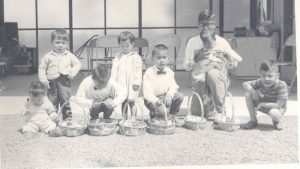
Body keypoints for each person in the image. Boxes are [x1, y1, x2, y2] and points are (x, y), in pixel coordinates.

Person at [184, 10, 240, 120]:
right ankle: (208, 106)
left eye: (209, 24)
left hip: (218, 76)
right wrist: (196, 61)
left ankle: (219, 109)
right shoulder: (193, 42)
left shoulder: (221, 41)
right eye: (203, 24)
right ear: (199, 25)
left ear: (214, 25)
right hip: (200, 76)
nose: (206, 28)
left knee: (212, 73)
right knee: (196, 113)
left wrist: (224, 59)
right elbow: (186, 66)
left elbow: (234, 65)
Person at [38, 29, 81, 121]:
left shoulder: (69, 55)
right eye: (57, 42)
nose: (60, 45)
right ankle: (52, 119)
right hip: (51, 82)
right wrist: (44, 80)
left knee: (65, 99)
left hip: (64, 80)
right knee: (52, 100)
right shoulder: (48, 56)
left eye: (63, 43)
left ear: (67, 43)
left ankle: (67, 118)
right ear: (52, 42)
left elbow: (77, 64)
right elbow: (42, 68)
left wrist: (72, 73)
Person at [241, 60, 288, 130]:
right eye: (263, 75)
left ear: (277, 76)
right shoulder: (260, 82)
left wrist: (262, 104)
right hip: (263, 103)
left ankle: (276, 122)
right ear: (260, 75)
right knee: (248, 94)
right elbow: (245, 84)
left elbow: (279, 105)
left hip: (276, 108)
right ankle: (253, 121)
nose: (266, 78)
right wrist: (254, 93)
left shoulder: (281, 85)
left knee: (274, 113)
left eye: (270, 76)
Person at [143, 44, 184, 119]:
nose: (161, 60)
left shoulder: (169, 72)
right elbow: (146, 93)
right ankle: (156, 114)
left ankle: (172, 115)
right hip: (152, 99)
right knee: (161, 114)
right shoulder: (149, 72)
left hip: (165, 97)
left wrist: (169, 94)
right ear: (153, 59)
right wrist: (155, 100)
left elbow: (173, 86)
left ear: (168, 59)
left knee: (179, 96)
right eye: (158, 58)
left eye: (164, 57)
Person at [111, 31, 143, 120]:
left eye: (127, 46)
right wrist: (113, 84)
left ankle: (133, 119)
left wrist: (137, 83)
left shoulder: (136, 57)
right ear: (119, 45)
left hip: (132, 83)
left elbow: (138, 71)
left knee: (132, 102)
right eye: (122, 46)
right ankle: (124, 120)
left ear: (133, 44)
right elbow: (114, 71)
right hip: (121, 83)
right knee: (123, 101)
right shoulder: (118, 57)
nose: (125, 48)